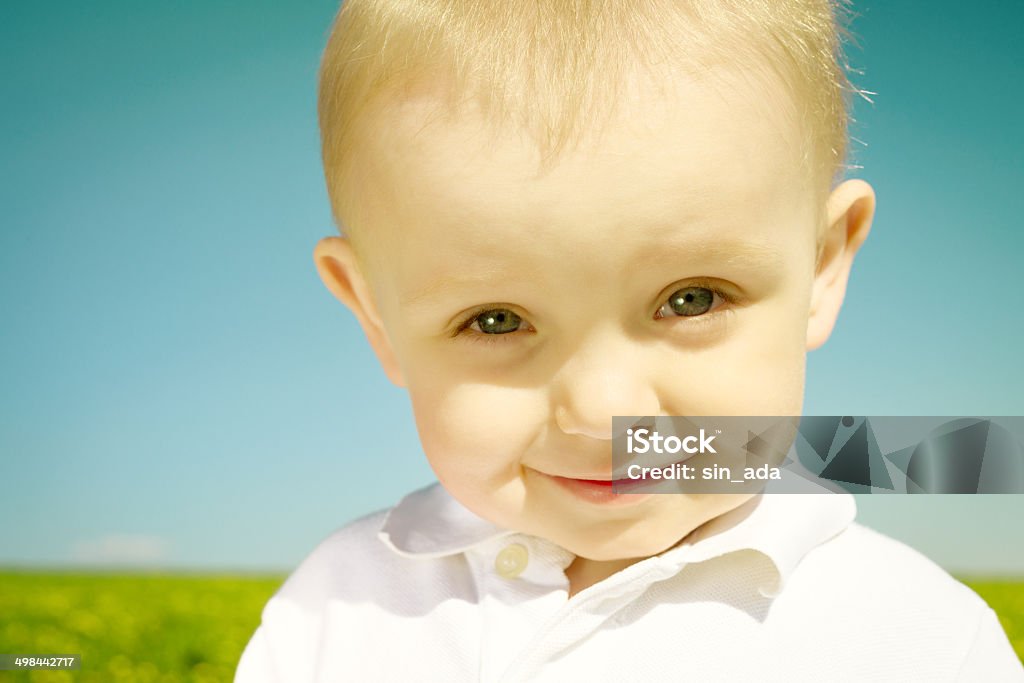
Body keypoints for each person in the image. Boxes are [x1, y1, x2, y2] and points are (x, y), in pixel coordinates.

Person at [236, 0, 1023, 679]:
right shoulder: (333, 610)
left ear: (822, 266)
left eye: (690, 298)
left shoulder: (920, 643)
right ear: (376, 317)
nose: (600, 411)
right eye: (496, 320)